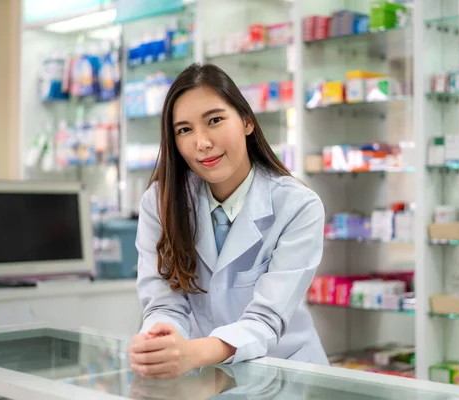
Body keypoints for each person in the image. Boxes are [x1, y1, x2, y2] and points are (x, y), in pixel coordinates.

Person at [128, 63, 328, 379]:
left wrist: (194, 352)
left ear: (247, 121)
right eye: (184, 130)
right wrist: (160, 340)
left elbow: (266, 319)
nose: (202, 142)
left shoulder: (298, 205)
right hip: (207, 375)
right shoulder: (160, 203)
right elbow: (164, 306)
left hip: (285, 373)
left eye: (215, 120)